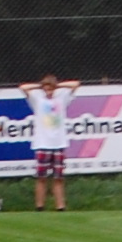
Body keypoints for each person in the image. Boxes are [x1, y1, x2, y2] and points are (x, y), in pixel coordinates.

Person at [29, 72, 78, 212]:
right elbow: (23, 88)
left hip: (58, 143)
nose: (48, 91)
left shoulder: (61, 98)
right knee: (41, 177)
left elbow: (75, 84)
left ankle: (60, 206)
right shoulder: (38, 99)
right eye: (46, 89)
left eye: (51, 89)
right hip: (42, 143)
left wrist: (57, 85)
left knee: (58, 178)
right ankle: (39, 206)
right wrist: (40, 85)